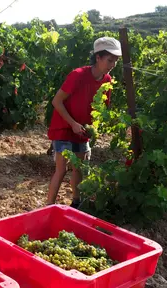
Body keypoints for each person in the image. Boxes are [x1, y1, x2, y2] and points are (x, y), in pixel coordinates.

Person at [46, 36, 122, 208]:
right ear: (98, 57)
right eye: (110, 60)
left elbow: (102, 108)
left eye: (116, 61)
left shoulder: (107, 81)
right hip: (64, 128)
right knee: (62, 169)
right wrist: (72, 123)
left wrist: (96, 126)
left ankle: (76, 203)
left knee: (79, 167)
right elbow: (56, 102)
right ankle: (49, 206)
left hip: (83, 130)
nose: (113, 65)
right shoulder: (78, 75)